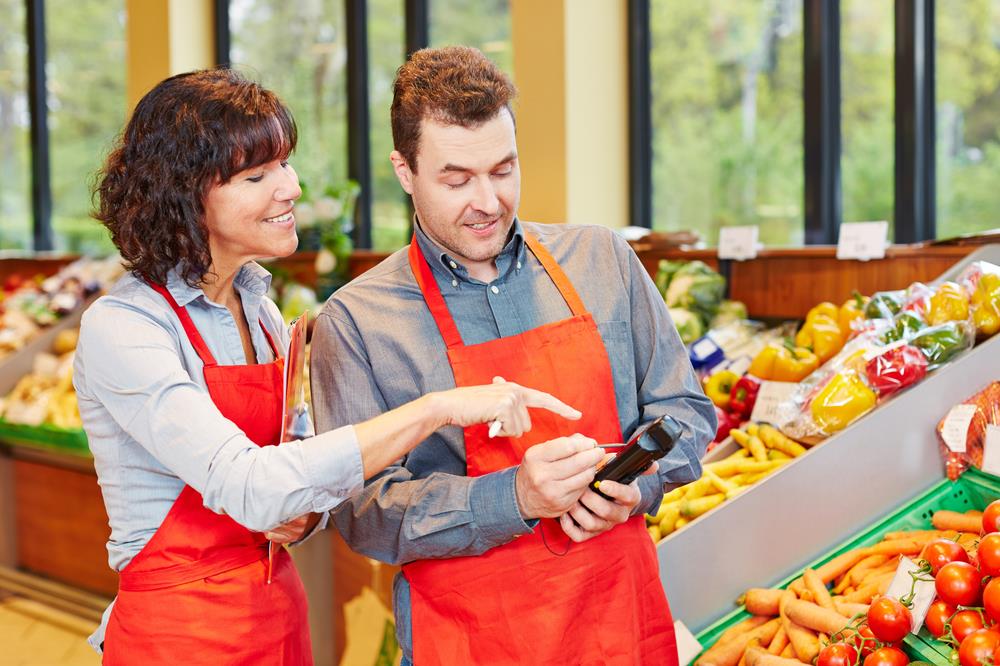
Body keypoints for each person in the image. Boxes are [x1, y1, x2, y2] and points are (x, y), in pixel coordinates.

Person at [74, 68, 580, 665]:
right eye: (257, 175)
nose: (289, 188)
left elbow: (300, 474)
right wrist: (438, 407)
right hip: (177, 635)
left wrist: (307, 514)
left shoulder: (262, 315)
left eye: (285, 164)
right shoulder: (126, 329)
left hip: (277, 617)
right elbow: (248, 486)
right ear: (184, 194)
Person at [310, 46, 716, 665]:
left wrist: (642, 484)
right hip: (472, 640)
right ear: (404, 169)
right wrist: (515, 498)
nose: (488, 201)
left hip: (618, 623)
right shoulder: (359, 321)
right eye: (456, 179)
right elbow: (362, 512)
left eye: (503, 170)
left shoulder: (602, 262)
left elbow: (686, 410)